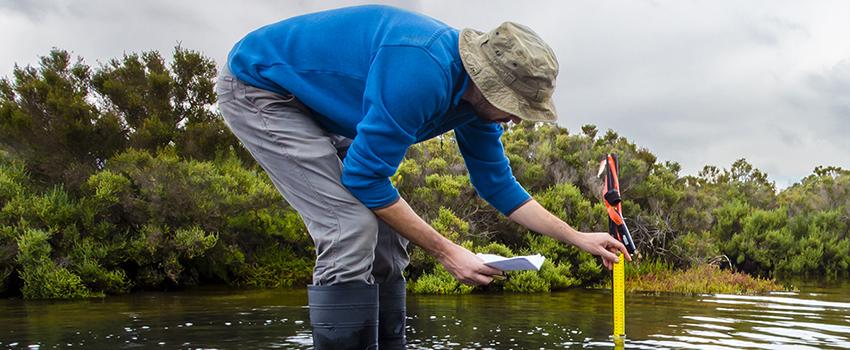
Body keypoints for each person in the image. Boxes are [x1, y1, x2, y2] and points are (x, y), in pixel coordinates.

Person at [217, 5, 631, 349]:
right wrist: (449, 252)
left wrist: (576, 237)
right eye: (513, 104)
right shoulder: (421, 71)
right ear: (485, 82)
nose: (514, 116)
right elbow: (364, 179)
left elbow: (497, 184)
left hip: (327, 109)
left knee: (388, 234)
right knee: (351, 226)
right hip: (263, 89)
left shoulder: (475, 106)